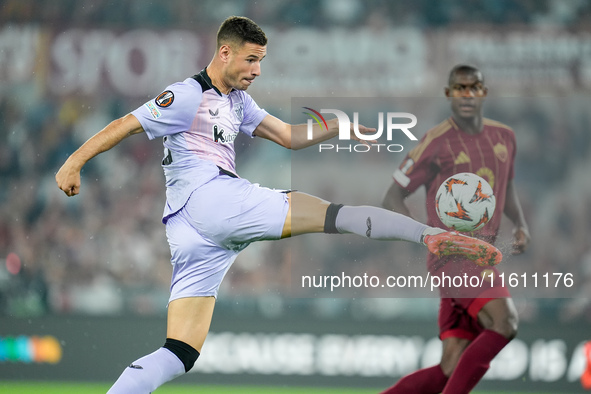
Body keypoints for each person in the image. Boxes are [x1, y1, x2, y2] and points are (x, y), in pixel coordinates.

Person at [55, 19, 501, 393]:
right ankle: (431, 236)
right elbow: (126, 124)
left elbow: (289, 136)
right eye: (251, 60)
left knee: (180, 353)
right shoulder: (188, 94)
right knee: (333, 215)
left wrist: (339, 125)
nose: (257, 70)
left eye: (261, 61)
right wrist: (74, 163)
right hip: (212, 200)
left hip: (190, 230)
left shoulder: (238, 102)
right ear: (225, 53)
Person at [380, 64, 530, 394]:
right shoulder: (435, 142)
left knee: (451, 366)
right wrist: (425, 235)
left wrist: (519, 223)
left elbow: (507, 187)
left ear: (483, 92)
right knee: (506, 323)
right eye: (459, 88)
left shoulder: (505, 138)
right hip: (453, 256)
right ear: (448, 93)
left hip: (481, 255)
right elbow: (392, 197)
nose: (466, 94)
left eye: (473, 87)